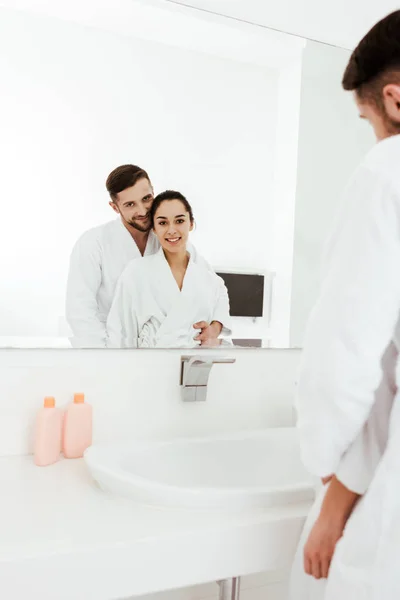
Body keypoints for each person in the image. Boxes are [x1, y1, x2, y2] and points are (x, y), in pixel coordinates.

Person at [289, 10, 400, 599]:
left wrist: (331, 467)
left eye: (369, 121)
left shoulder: (390, 171)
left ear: (395, 101)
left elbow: (349, 360)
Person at [65, 165, 229, 347]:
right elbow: (80, 311)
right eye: (130, 204)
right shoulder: (93, 243)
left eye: (146, 199)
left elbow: (215, 287)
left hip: (165, 352)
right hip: (111, 348)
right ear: (114, 207)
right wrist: (106, 356)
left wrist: (215, 327)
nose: (143, 211)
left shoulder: (169, 238)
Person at [106, 190, 231, 348]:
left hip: (194, 368)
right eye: (163, 223)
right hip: (147, 366)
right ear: (154, 228)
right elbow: (120, 333)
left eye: (179, 221)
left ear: (191, 224)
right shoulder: (136, 272)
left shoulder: (209, 280)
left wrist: (215, 327)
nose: (171, 230)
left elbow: (221, 308)